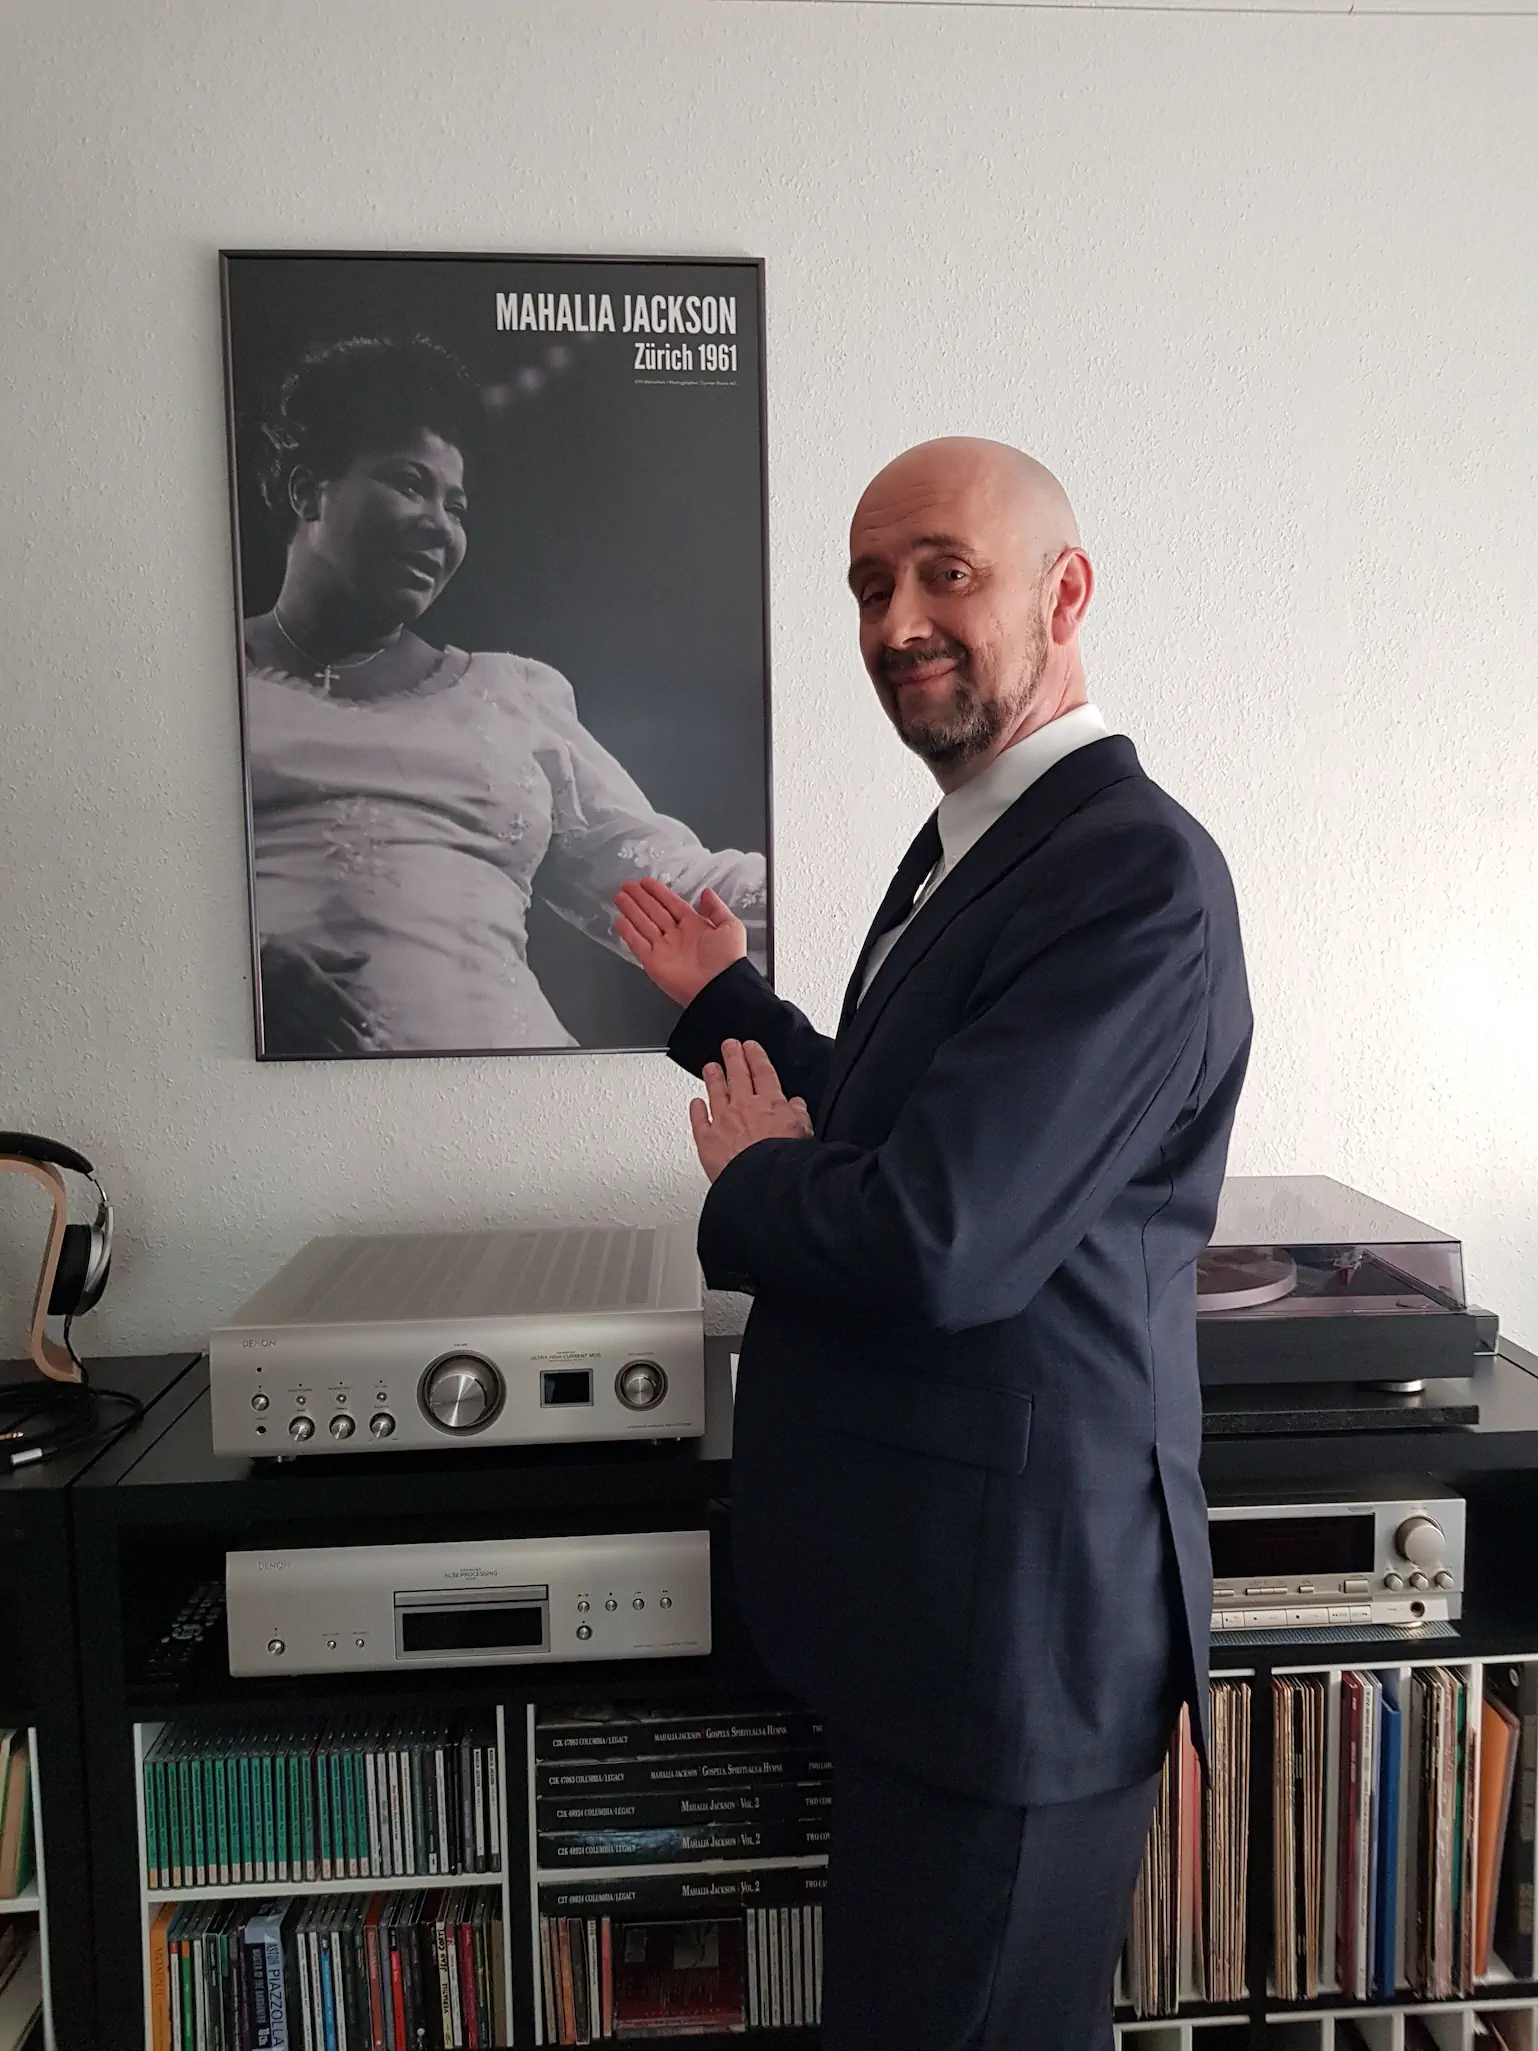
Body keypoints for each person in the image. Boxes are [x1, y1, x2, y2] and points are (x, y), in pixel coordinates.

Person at [615, 438, 1251, 2051]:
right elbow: (904, 1128)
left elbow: (939, 1238)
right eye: (867, 583)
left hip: (1016, 1638)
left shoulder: (1129, 869)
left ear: (1064, 590)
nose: (895, 619)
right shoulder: (976, 839)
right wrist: (724, 1008)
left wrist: (752, 1183)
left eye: (942, 572)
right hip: (935, 1616)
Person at [240, 334, 766, 1055]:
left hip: (524, 1097)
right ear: (307, 489)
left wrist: (869, 891)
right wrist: (245, 967)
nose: (439, 525)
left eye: (456, 505)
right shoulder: (209, 688)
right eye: (408, 483)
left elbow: (673, 886)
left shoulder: (510, 696)